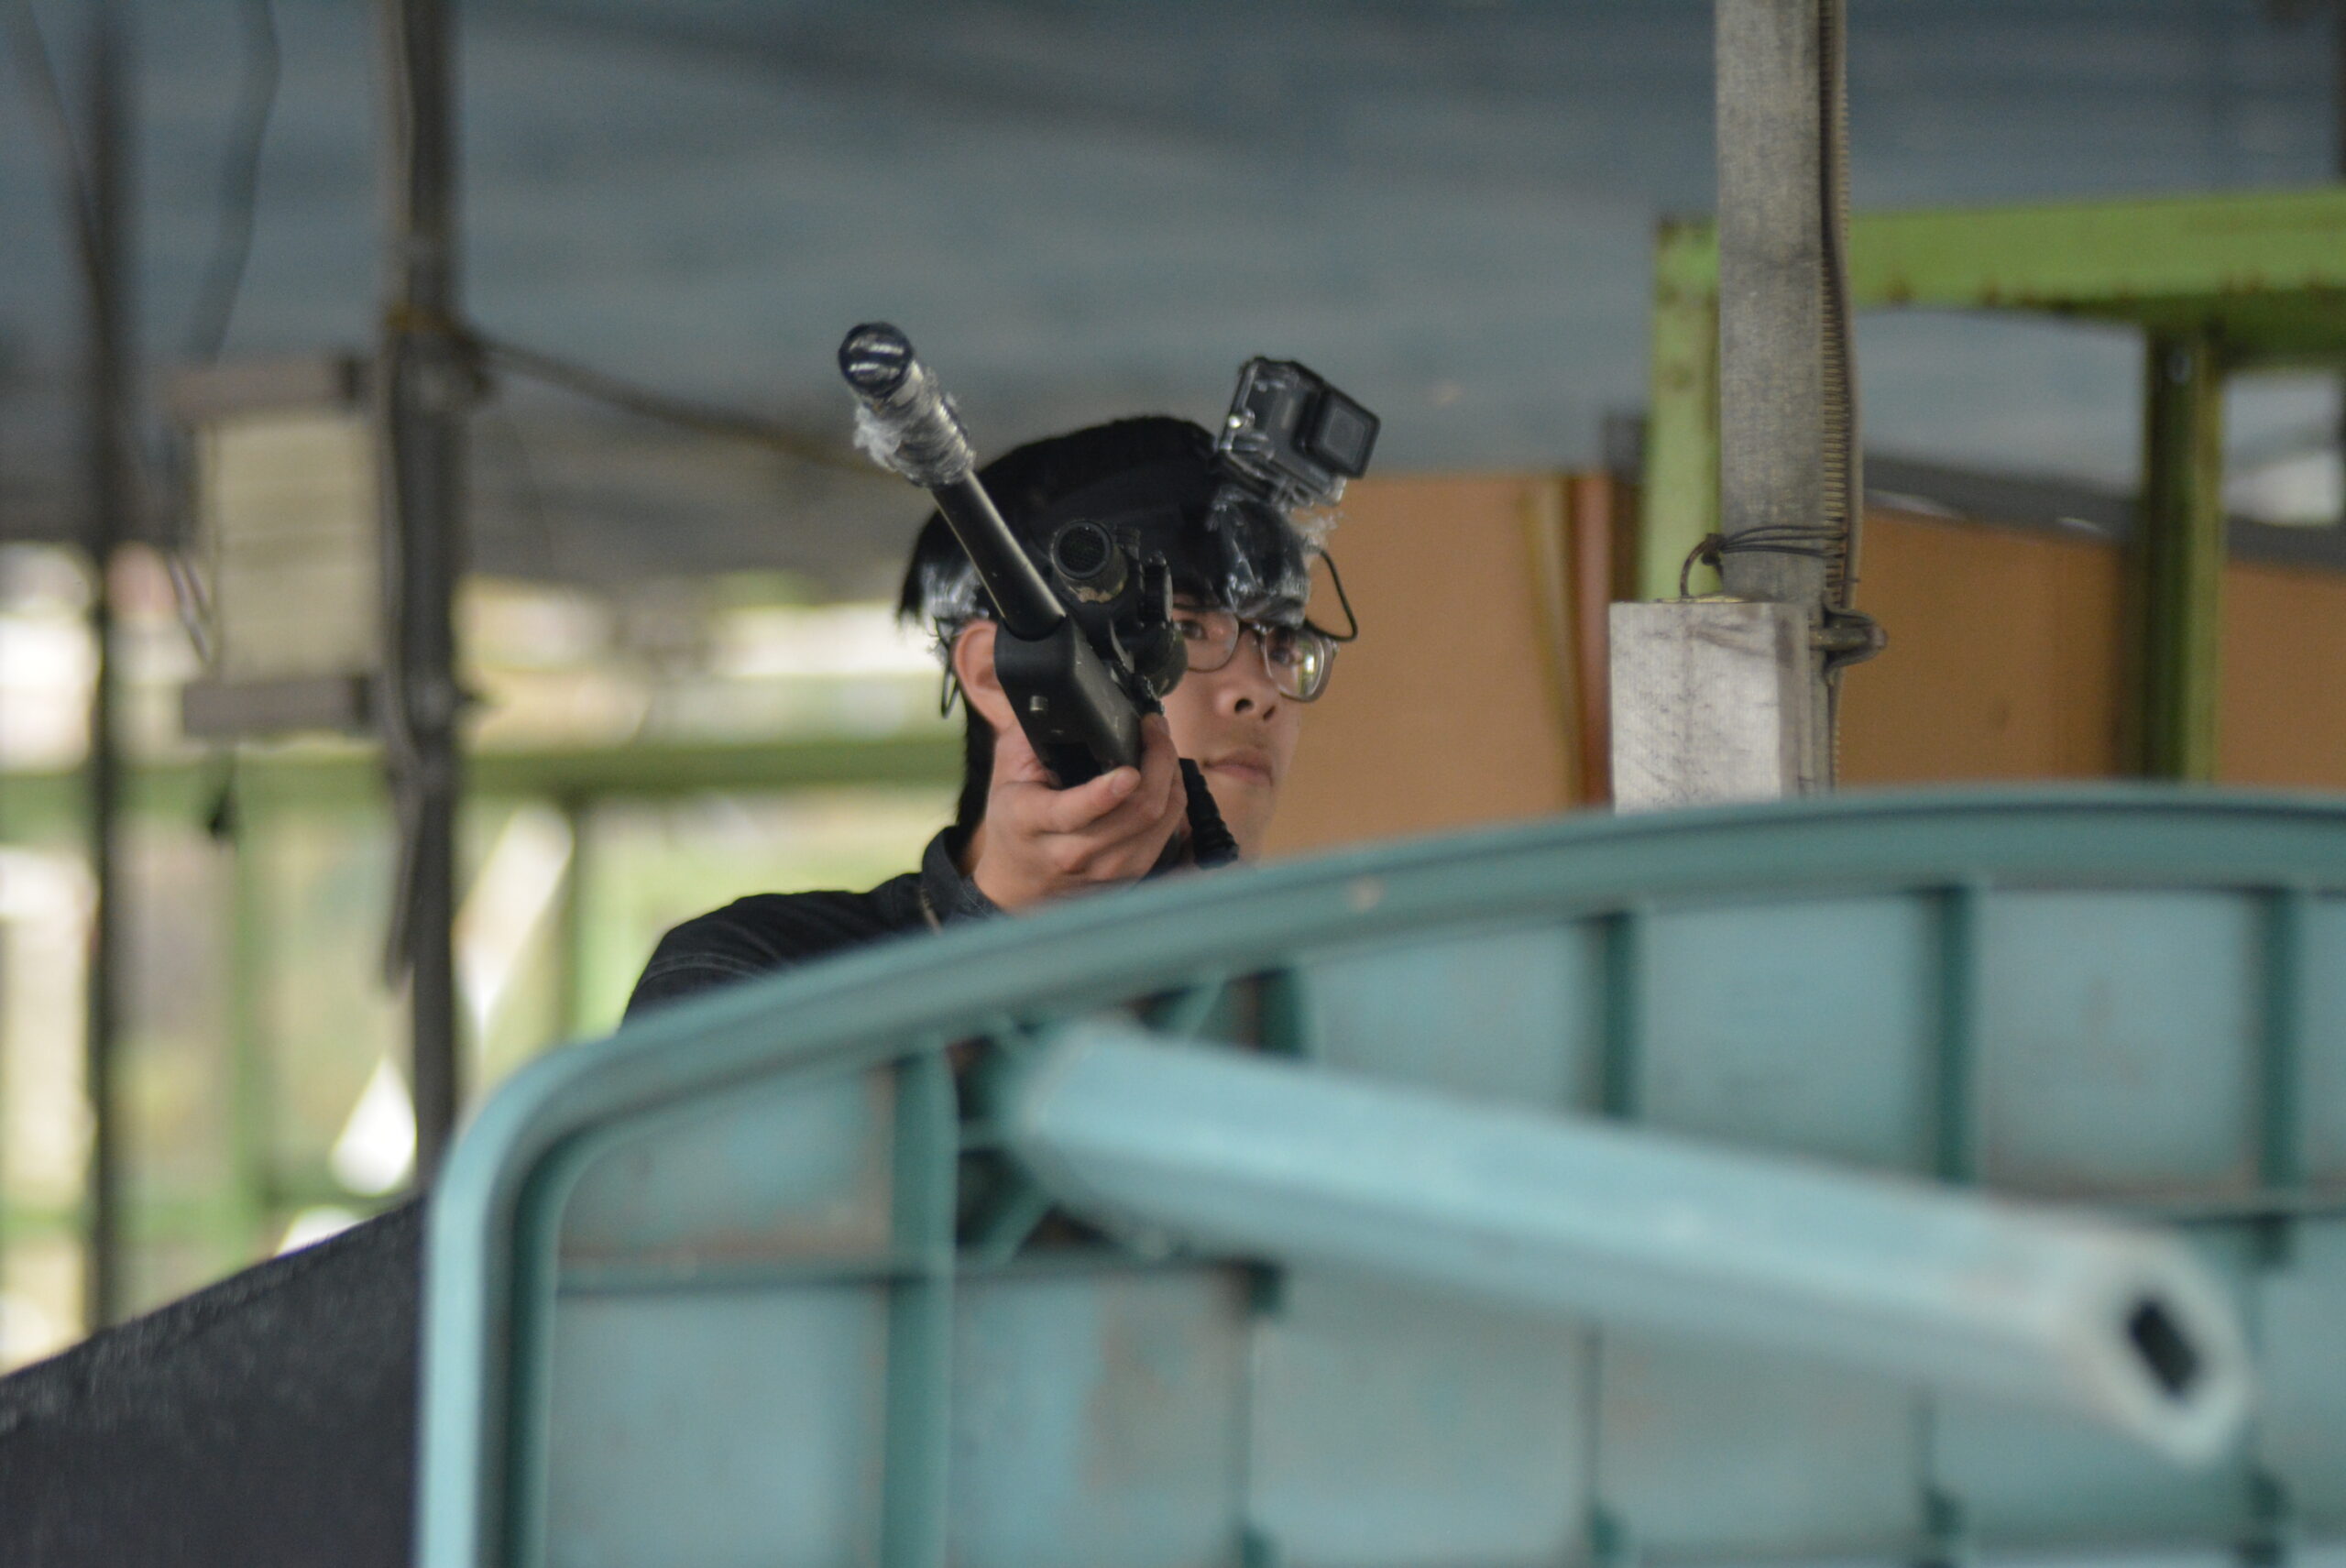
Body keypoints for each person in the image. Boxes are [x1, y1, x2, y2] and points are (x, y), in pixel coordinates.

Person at [624, 413, 1350, 1016]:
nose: (1260, 689)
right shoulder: (752, 978)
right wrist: (1012, 918)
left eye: (1282, 645)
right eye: (1184, 629)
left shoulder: (1308, 1000)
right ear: (995, 673)